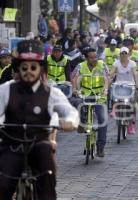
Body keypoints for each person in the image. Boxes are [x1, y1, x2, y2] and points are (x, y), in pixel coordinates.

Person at [0, 39, 79, 200]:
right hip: (11, 145)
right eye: (24, 67)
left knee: (47, 174)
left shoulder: (52, 92)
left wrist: (69, 122)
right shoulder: (5, 90)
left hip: (39, 144)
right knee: (3, 184)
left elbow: (70, 112)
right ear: (18, 68)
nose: (29, 71)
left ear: (41, 68)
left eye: (34, 67)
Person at [72, 47, 109, 157]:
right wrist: (75, 89)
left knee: (103, 120)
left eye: (95, 57)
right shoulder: (81, 66)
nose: (94, 59)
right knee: (76, 103)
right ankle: (81, 123)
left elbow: (108, 78)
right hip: (85, 95)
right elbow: (74, 77)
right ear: (86, 58)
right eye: (92, 57)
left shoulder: (102, 65)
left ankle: (100, 147)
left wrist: (106, 89)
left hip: (99, 97)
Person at [110, 47, 138, 134]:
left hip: (130, 85)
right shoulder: (116, 63)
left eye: (125, 53)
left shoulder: (132, 63)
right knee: (115, 97)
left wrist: (137, 83)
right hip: (119, 85)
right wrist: (110, 77)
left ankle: (131, 125)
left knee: (132, 105)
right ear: (119, 55)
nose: (123, 55)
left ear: (128, 54)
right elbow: (112, 73)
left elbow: (135, 74)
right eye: (122, 53)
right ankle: (114, 111)